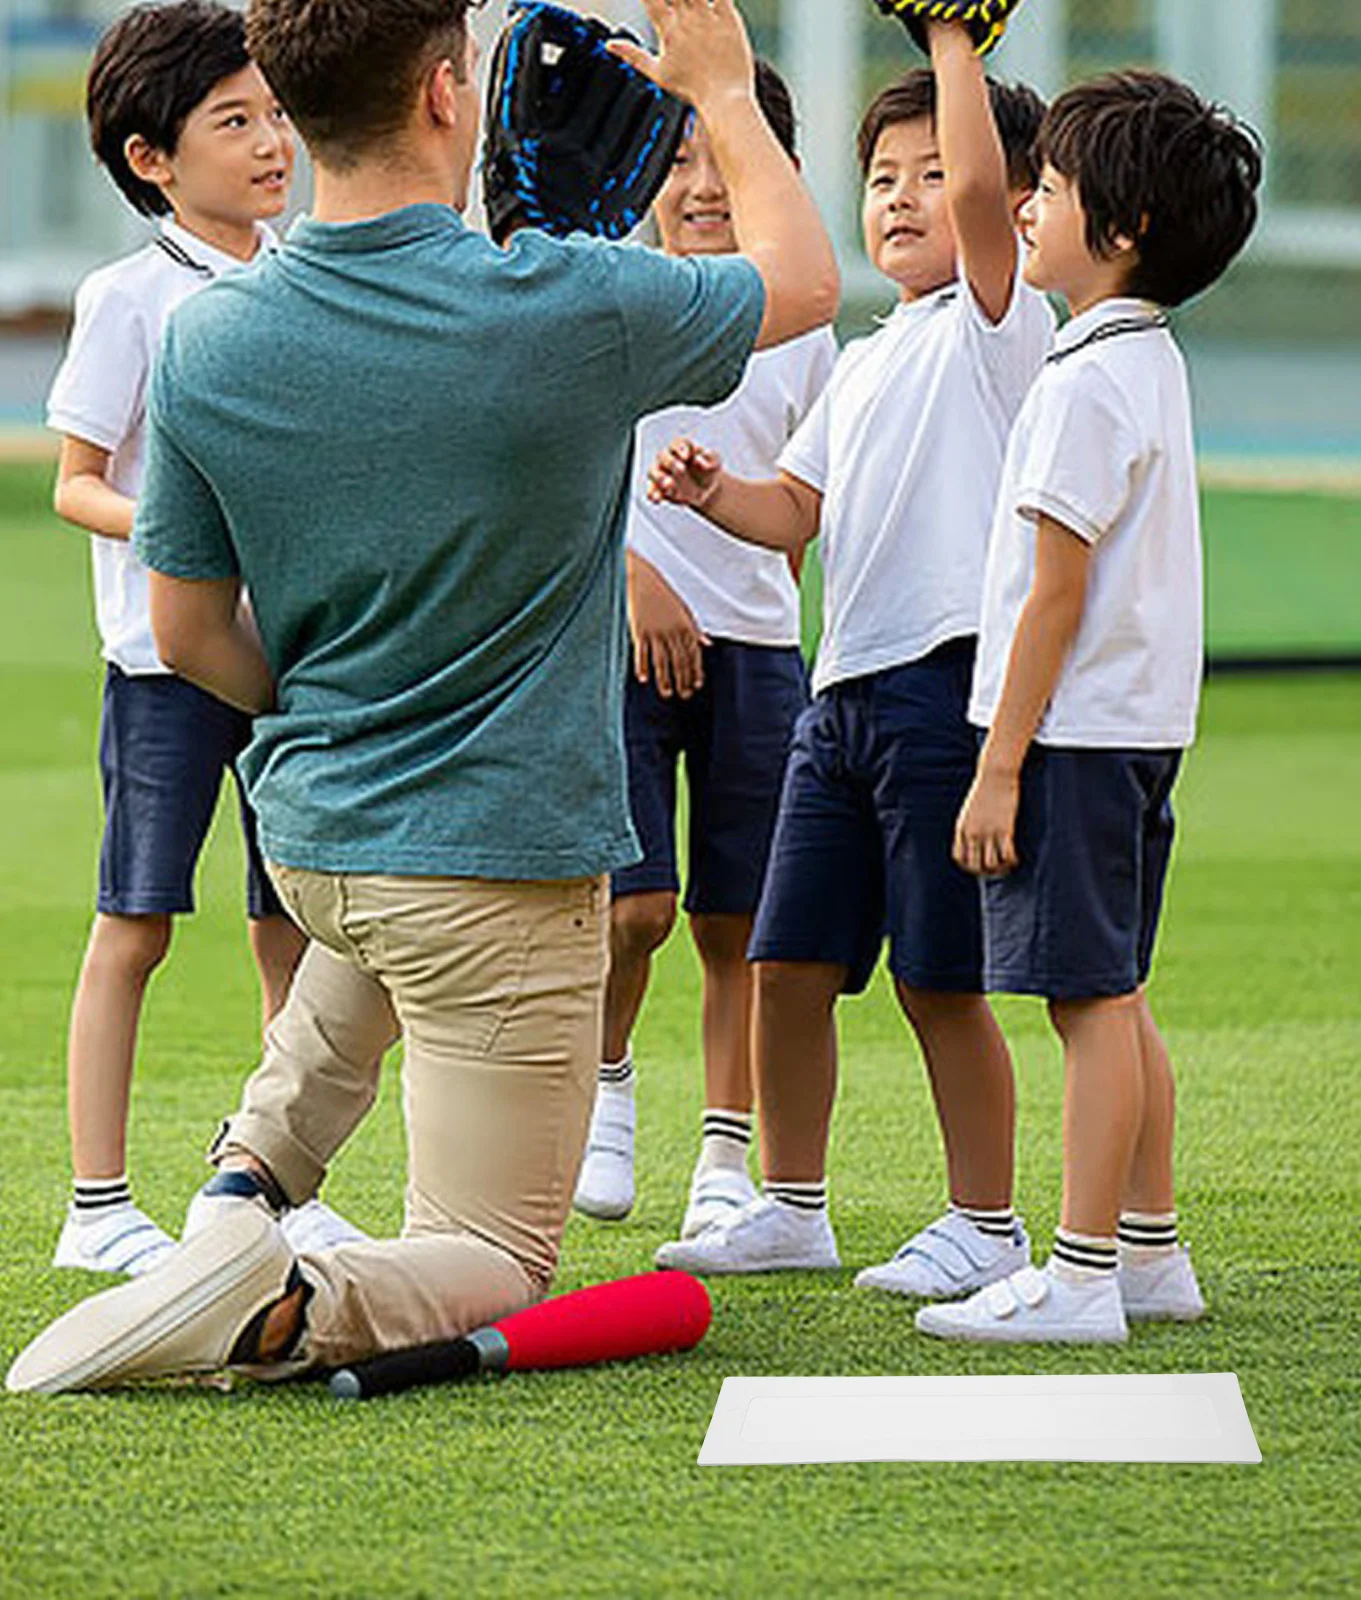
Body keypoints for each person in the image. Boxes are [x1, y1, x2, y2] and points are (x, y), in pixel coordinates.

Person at [6, 0, 837, 1395]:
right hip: (500, 863)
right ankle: (284, 1297)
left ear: (292, 98)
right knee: (501, 1257)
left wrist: (332, 701)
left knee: (351, 992)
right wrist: (723, 93)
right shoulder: (566, 306)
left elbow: (188, 632)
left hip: (320, 842)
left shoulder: (207, 339)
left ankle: (234, 1200)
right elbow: (805, 283)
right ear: (450, 92)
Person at [650, 25, 1053, 1298]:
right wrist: (718, 493)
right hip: (842, 696)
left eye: (931, 173)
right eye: (882, 175)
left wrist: (952, 47)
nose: (902, 195)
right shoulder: (870, 357)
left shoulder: (1002, 323)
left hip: (944, 690)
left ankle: (985, 1223)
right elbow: (793, 512)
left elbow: (989, 197)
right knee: (784, 965)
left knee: (940, 980)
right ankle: (793, 1205)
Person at [917, 70, 1262, 1344]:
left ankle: (1080, 1275)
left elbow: (1052, 597)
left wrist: (996, 764)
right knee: (1114, 992)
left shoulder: (1079, 382)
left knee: (1086, 1003)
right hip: (1126, 730)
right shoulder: (1134, 360)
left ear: (1117, 235)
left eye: (1050, 192)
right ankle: (1149, 1253)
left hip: (1073, 738)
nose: (1026, 205)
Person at [43, 0, 323, 1277]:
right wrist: (180, 546)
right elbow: (76, 478)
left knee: (294, 925)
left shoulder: (305, 270)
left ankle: (279, 1186)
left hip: (287, 661)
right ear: (153, 159)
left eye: (273, 114)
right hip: (165, 664)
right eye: (234, 123)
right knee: (137, 924)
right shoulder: (127, 295)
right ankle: (97, 1205)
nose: (271, 142)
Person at [571, 59, 836, 1240]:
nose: (701, 184)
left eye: (723, 157)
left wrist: (748, 616)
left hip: (758, 654)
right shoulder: (612, 305)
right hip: (614, 645)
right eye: (673, 161)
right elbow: (564, 483)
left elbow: (799, 507)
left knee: (739, 921)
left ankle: (726, 1154)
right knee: (633, 910)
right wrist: (636, 580)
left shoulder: (802, 332)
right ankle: (607, 1090)